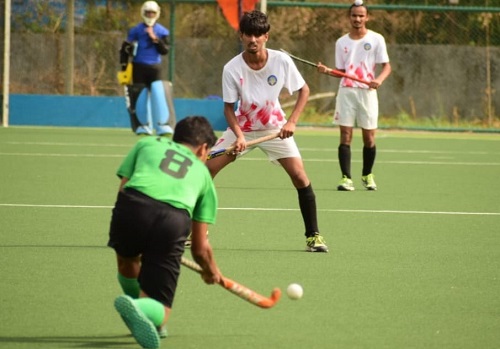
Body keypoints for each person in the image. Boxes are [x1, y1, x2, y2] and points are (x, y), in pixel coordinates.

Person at [206, 10, 328, 253]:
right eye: (249, 34)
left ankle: (313, 236)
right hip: (243, 128)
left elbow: (304, 90)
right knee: (204, 173)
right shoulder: (231, 68)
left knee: (300, 177)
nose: (253, 40)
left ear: (266, 37)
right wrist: (239, 136)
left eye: (258, 35)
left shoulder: (281, 61)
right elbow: (229, 108)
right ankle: (193, 231)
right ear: (241, 35)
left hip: (275, 127)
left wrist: (291, 122)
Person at [107, 116, 222, 349]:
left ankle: (136, 304)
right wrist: (211, 271)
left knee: (127, 260)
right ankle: (145, 310)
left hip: (130, 206)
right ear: (203, 148)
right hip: (171, 220)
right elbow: (200, 248)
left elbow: (123, 188)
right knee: (162, 310)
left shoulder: (146, 144)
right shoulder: (204, 178)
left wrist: (131, 222)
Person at [318, 0, 391, 191]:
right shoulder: (341, 42)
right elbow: (340, 71)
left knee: (369, 137)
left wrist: (379, 80)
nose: (357, 19)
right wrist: (327, 71)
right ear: (349, 17)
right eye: (354, 15)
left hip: (367, 93)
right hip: (347, 92)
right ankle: (346, 178)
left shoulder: (377, 39)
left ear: (367, 17)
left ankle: (367, 175)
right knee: (345, 135)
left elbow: (387, 66)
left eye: (361, 15)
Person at [119, 1, 174, 136]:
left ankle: (163, 126)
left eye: (152, 13)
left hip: (155, 67)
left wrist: (154, 38)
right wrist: (124, 67)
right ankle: (143, 126)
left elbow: (165, 50)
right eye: (148, 12)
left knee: (158, 94)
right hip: (139, 67)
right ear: (143, 13)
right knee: (139, 94)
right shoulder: (136, 30)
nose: (150, 15)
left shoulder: (162, 31)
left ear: (157, 14)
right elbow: (125, 49)